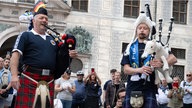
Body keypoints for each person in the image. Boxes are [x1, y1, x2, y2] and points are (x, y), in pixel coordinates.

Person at [10, 7, 77, 108]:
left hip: (49, 80)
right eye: (41, 18)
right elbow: (15, 54)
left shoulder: (53, 39)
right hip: (29, 78)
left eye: (46, 18)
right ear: (33, 20)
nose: (44, 20)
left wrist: (68, 55)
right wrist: (14, 75)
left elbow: (60, 58)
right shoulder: (25, 35)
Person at [121, 12, 177, 108]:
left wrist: (162, 63)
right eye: (140, 28)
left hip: (149, 88)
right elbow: (125, 69)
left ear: (149, 31)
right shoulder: (130, 47)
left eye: (145, 28)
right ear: (136, 30)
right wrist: (140, 70)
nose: (142, 30)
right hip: (132, 88)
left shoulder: (155, 44)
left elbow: (173, 59)